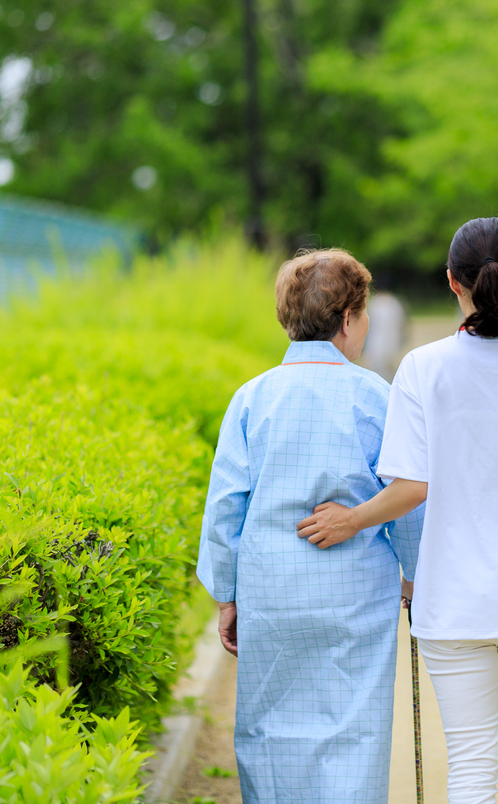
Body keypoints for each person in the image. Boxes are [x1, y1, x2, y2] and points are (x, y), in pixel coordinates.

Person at [296, 217, 498, 804]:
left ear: (452, 283)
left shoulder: (423, 368)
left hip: (454, 606)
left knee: (470, 767)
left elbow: (411, 488)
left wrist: (351, 519)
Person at [196, 248, 424, 804]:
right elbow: (408, 497)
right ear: (348, 318)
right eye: (363, 313)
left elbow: (227, 504)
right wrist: (415, 577)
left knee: (269, 724)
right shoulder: (376, 397)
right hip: (354, 595)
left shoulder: (252, 399)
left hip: (271, 591)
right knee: (355, 727)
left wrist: (226, 595)